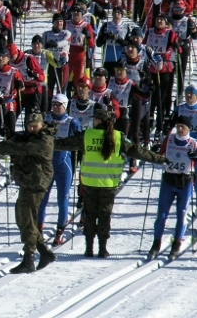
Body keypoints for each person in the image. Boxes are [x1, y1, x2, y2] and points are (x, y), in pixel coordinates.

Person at [55, 107, 166, 257]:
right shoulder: (118, 137)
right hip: (108, 185)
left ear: (98, 121)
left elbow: (64, 144)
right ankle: (102, 249)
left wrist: (47, 142)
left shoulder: (87, 135)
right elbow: (138, 151)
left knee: (90, 215)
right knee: (104, 216)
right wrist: (160, 159)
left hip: (89, 183)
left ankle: (89, 248)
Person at [0, 112, 57, 273]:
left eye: (35, 126)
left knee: (27, 219)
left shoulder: (44, 140)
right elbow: (20, 141)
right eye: (29, 126)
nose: (32, 129)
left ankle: (29, 258)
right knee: (23, 217)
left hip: (36, 183)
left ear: (42, 125)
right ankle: (43, 250)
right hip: (28, 181)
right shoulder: (32, 136)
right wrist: (11, 135)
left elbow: (23, 148)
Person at [147, 114, 197, 259]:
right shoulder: (169, 139)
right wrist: (155, 152)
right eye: (179, 126)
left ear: (188, 129)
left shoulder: (193, 143)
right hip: (168, 181)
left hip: (185, 182)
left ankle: (176, 244)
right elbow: (159, 154)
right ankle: (156, 244)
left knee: (181, 214)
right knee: (162, 214)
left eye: (183, 127)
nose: (180, 129)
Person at [37, 93, 82, 246]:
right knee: (42, 199)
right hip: (47, 165)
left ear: (65, 106)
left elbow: (80, 141)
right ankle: (39, 231)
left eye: (59, 105)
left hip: (64, 165)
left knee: (63, 200)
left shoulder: (72, 122)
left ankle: (59, 233)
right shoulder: (45, 119)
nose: (55, 108)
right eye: (53, 104)